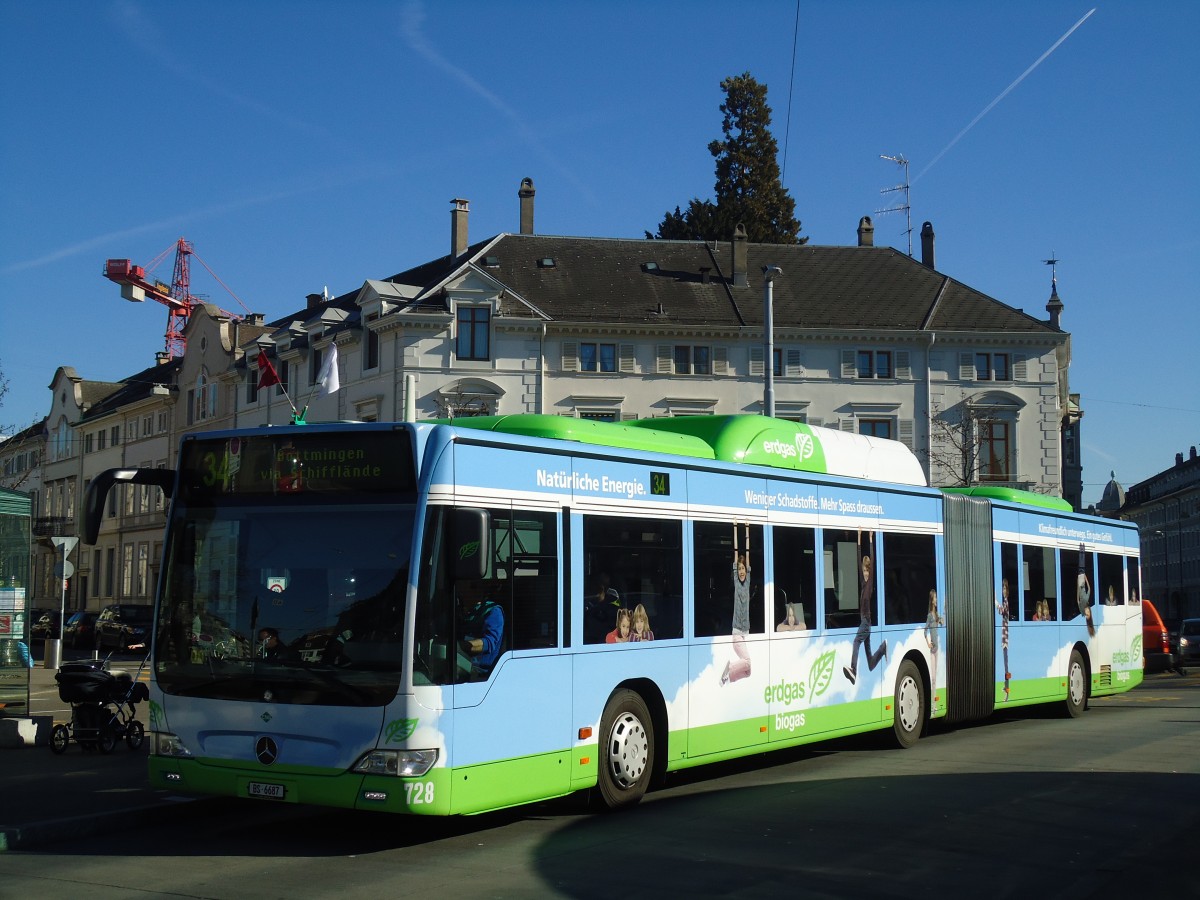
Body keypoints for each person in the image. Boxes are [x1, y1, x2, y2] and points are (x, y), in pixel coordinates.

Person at [843, 538, 887, 686]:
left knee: (856, 642)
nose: (865, 573)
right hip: (866, 622)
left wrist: (869, 540)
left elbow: (873, 562)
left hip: (866, 622)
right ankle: (882, 649)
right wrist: (859, 539)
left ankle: (853, 670)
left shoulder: (870, 584)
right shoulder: (863, 584)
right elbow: (858, 562)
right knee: (870, 663)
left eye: (867, 570)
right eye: (864, 571)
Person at [720, 524, 753, 685]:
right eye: (739, 568)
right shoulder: (736, 582)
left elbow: (747, 552)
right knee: (747, 661)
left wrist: (747, 529)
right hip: (736, 632)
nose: (741, 571)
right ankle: (730, 668)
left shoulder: (747, 582)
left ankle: (728, 678)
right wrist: (735, 526)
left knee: (748, 671)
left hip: (744, 632)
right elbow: (736, 551)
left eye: (743, 569)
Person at [457, 578, 505, 681]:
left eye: (464, 588)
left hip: (481, 675)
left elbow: (489, 643)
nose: (461, 592)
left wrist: (459, 646)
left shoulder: (493, 611)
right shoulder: (460, 612)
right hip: (459, 667)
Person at [585, 573, 621, 644]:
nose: (596, 590)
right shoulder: (587, 604)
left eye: (600, 587)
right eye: (594, 587)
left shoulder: (613, 602)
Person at [995, 579, 1012, 701]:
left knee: (1006, 665)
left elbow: (1002, 611)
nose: (1003, 590)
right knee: (1005, 664)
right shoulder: (1005, 601)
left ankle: (1007, 691)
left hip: (1005, 638)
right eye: (1003, 588)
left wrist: (995, 602)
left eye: (1005, 588)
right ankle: (1006, 689)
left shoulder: (1006, 602)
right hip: (1004, 638)